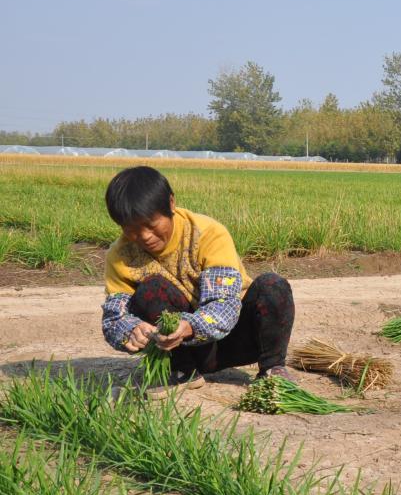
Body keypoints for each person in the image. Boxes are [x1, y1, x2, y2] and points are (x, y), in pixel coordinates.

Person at [100, 166, 295, 395]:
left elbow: (224, 305)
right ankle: (182, 371)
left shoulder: (207, 233)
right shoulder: (119, 255)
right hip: (180, 350)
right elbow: (113, 318)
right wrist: (130, 330)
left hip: (238, 340)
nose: (144, 236)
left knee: (273, 286)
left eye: (151, 225)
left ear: (171, 203)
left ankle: (272, 369)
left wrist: (190, 326)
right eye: (131, 229)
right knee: (151, 288)